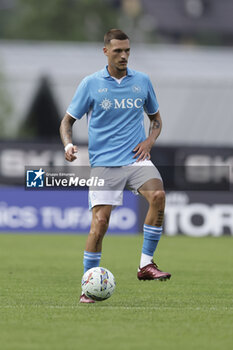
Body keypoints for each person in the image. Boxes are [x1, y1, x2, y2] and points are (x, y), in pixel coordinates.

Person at [60, 29, 171, 303]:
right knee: (100, 224)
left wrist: (149, 141)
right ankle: (88, 287)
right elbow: (67, 122)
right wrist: (68, 145)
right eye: (118, 51)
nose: (124, 56)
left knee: (157, 196)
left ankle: (146, 265)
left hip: (136, 159)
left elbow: (156, 119)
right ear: (106, 51)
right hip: (104, 164)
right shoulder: (90, 84)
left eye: (128, 51)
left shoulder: (142, 81)